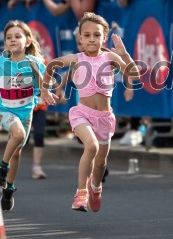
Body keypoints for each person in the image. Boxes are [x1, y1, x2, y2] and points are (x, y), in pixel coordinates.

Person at [41, 12, 140, 212]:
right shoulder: (76, 59)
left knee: (100, 164)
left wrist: (124, 54)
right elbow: (51, 65)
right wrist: (45, 88)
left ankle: (95, 188)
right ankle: (80, 193)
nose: (91, 39)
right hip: (82, 114)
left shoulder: (110, 57)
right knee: (91, 146)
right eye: (86, 35)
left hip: (104, 117)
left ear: (104, 37)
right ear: (80, 39)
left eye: (96, 35)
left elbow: (134, 74)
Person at [0, 20, 56, 211]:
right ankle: (2, 167)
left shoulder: (35, 63)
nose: (12, 40)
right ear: (5, 43)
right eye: (8, 37)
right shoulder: (3, 62)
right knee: (18, 136)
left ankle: (9, 189)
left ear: (28, 41)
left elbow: (47, 82)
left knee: (17, 151)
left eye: (17, 36)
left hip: (26, 112)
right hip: (4, 111)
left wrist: (45, 91)